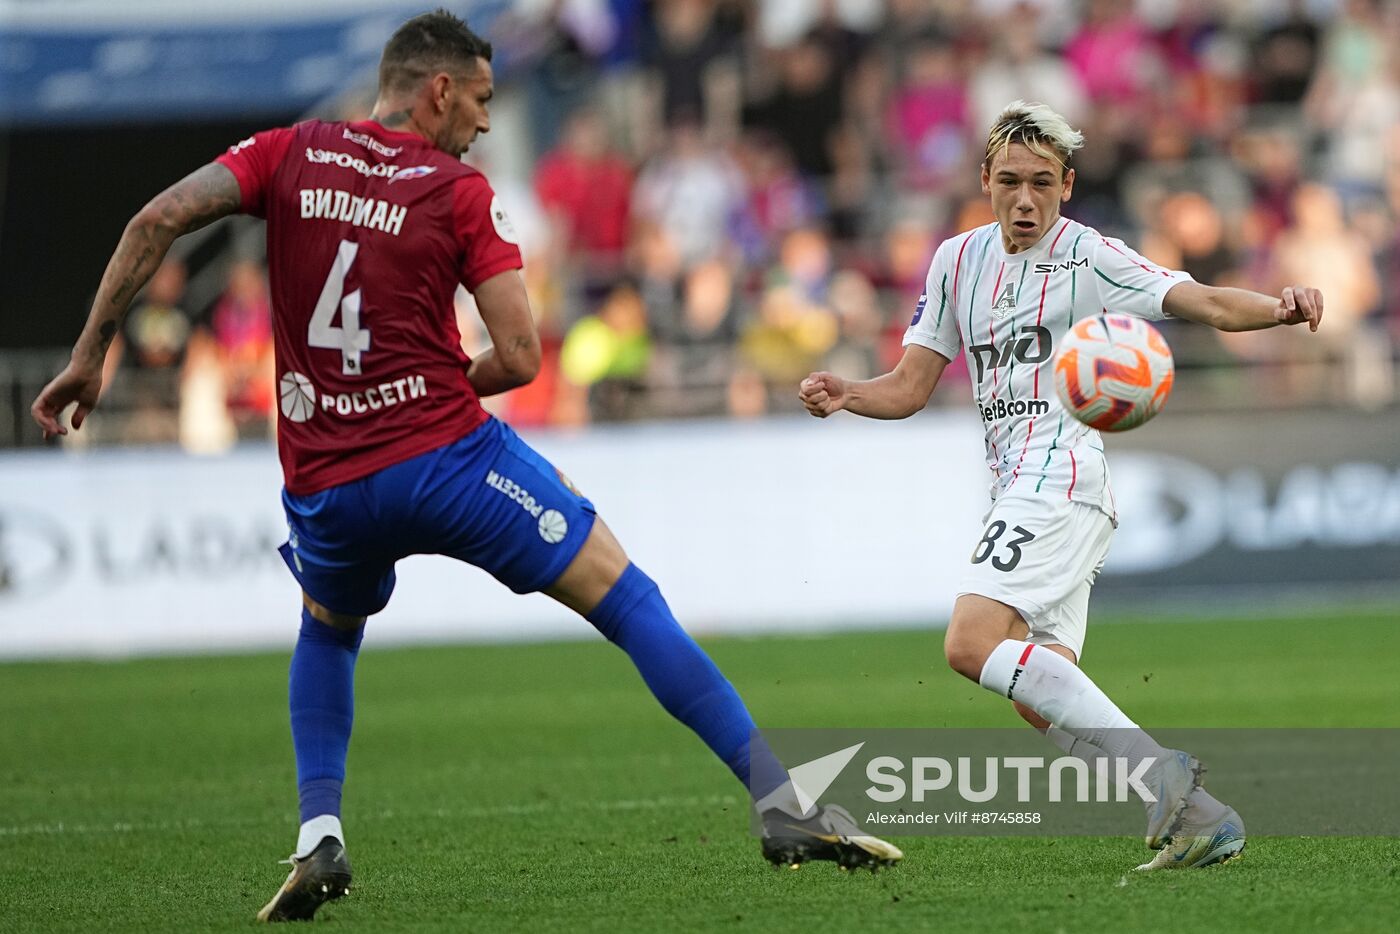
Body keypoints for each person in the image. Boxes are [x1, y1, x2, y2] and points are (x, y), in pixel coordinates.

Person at [30, 10, 900, 924]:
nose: (486, 121)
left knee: (328, 629)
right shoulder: (457, 190)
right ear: (438, 89)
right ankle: (780, 803)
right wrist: (439, 386)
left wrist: (92, 353)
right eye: (481, 99)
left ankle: (318, 832)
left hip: (325, 484)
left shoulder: (288, 153)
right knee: (626, 595)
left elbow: (158, 217)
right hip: (447, 462)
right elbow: (522, 358)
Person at [799, 101, 1324, 872]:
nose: (1024, 200)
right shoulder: (955, 262)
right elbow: (910, 385)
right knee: (1036, 688)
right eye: (1009, 181)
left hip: (1064, 472)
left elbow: (1203, 300)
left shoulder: (1092, 257)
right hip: (1023, 482)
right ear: (983, 180)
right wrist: (848, 392)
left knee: (970, 642)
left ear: (1067, 186)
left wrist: (1278, 307)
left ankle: (1167, 777)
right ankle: (1201, 818)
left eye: (1042, 183)